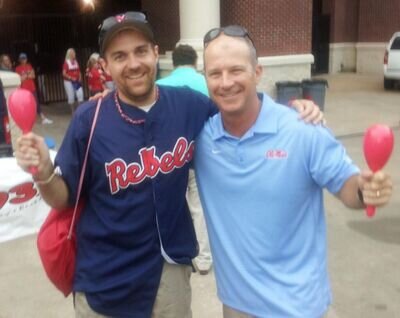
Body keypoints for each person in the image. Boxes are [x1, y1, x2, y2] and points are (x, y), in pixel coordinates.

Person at [14, 13, 322, 317]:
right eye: (120, 56)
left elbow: (241, 111)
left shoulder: (188, 104)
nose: (133, 63)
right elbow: (63, 197)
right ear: (105, 66)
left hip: (168, 272)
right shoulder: (88, 120)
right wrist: (43, 174)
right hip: (106, 279)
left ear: (156, 53)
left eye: (140, 51)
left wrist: (290, 109)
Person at [194, 25, 393, 318]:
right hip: (236, 306)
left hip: (299, 308)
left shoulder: (302, 130)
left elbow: (347, 185)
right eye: (215, 73)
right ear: (206, 79)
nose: (226, 82)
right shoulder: (201, 137)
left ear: (258, 72)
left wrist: (366, 190)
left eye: (236, 70)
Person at [157, 44, 212, 275]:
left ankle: (173, 252)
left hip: (167, 159)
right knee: (199, 207)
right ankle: (204, 258)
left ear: (173, 62)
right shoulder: (205, 83)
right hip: (200, 156)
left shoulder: (158, 85)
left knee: (174, 206)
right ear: (196, 61)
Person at [15, 53, 53, 124]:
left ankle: (43, 118)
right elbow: (20, 79)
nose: (24, 60)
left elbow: (33, 76)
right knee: (25, 104)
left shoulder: (29, 66)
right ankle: (26, 119)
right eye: (22, 59)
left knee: (36, 103)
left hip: (32, 88)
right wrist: (27, 74)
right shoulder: (17, 68)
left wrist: (25, 76)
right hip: (24, 89)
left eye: (25, 58)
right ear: (19, 60)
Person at [62, 48, 84, 113]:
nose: (75, 54)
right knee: (71, 95)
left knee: (80, 94)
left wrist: (80, 77)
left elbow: (79, 70)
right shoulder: (66, 63)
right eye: (73, 53)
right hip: (69, 82)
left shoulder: (75, 61)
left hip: (76, 81)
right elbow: (64, 73)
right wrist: (71, 78)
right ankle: (73, 111)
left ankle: (79, 110)